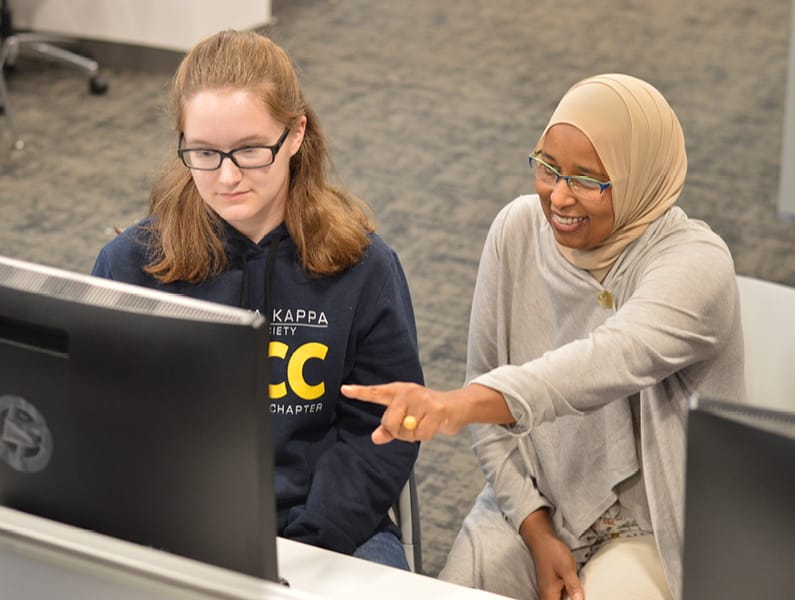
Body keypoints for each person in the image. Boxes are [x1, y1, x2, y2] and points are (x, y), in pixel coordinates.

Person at [342, 73, 745, 598]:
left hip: (656, 525)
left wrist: (460, 404)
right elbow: (492, 426)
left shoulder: (697, 265)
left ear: (638, 177)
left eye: (586, 179)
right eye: (548, 167)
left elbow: (605, 360)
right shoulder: (516, 231)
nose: (558, 195)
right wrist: (535, 529)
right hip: (537, 503)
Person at [91, 30, 423, 569]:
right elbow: (100, 427)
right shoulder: (130, 265)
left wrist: (310, 543)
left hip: (329, 530)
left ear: (296, 134)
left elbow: (383, 433)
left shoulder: (363, 267)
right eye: (203, 152)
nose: (226, 176)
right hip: (171, 531)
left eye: (249, 150)